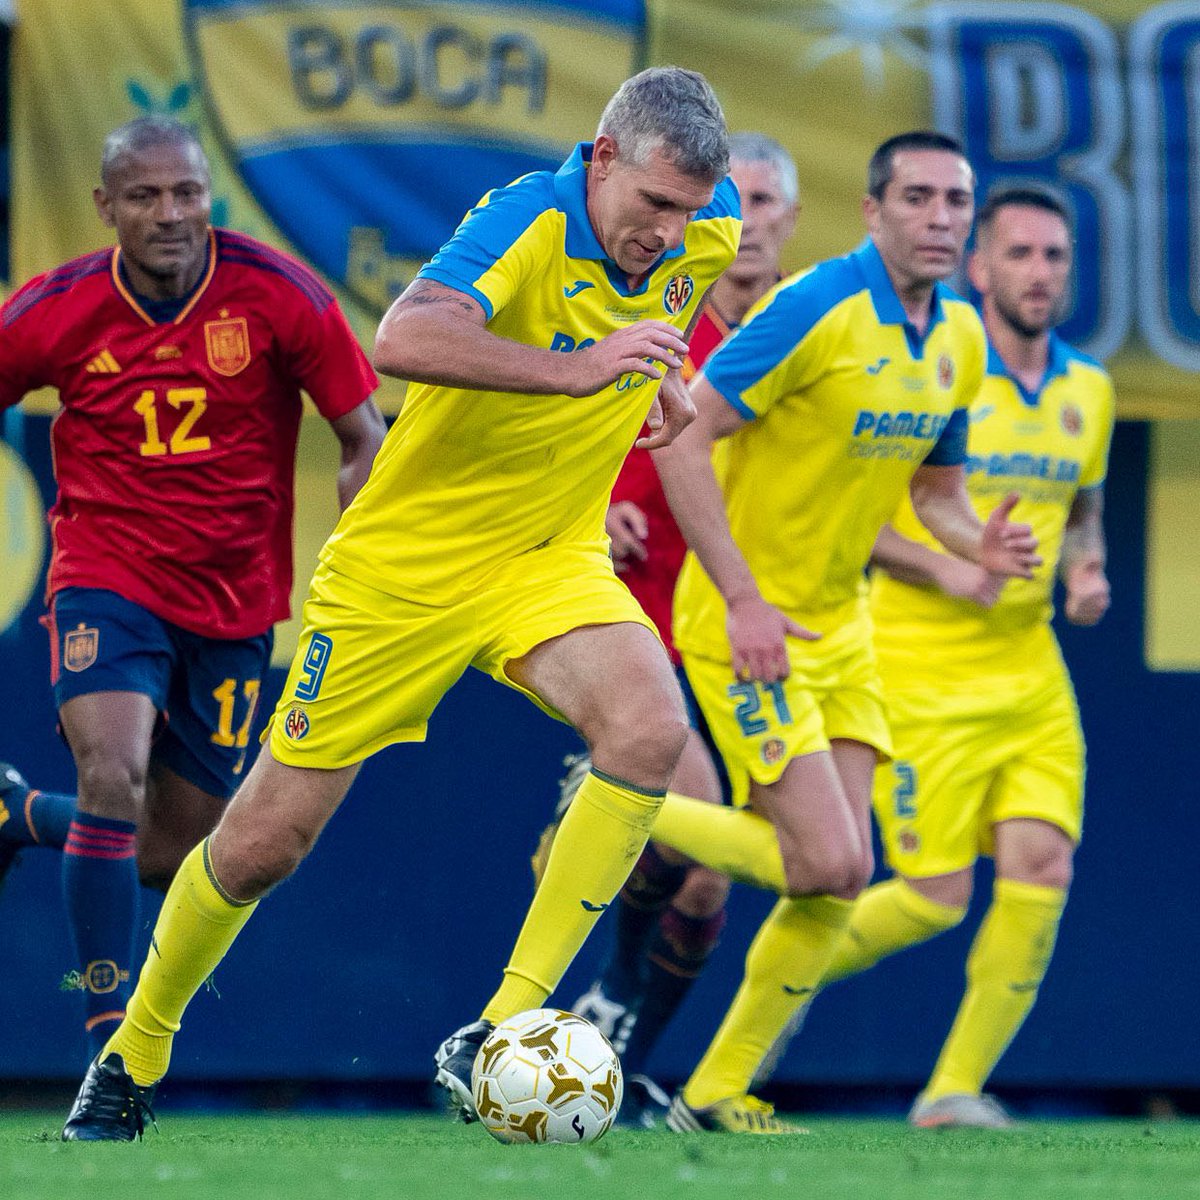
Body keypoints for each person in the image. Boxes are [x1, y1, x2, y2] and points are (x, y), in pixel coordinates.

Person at [60, 67, 741, 1141]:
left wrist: (660, 379)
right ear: (602, 157)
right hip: (402, 574)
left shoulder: (703, 226)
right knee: (261, 846)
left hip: (545, 554)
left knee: (651, 728)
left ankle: (500, 1028)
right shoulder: (525, 219)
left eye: (690, 211)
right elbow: (405, 339)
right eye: (653, 204)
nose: (671, 231)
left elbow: (663, 310)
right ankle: (131, 1055)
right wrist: (582, 372)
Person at [642, 131, 1042, 1135]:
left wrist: (977, 542)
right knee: (829, 865)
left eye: (956, 200)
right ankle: (629, 805)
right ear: (872, 212)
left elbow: (935, 492)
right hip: (745, 621)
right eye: (918, 198)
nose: (941, 217)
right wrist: (739, 599)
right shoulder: (813, 306)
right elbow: (680, 429)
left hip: (842, 628)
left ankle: (712, 1095)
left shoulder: (960, 336)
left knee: (834, 878)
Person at [0, 116, 385, 1062]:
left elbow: (364, 436)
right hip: (106, 575)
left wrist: (363, 567)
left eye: (188, 194)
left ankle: (17, 816)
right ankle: (109, 1047)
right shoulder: (55, 308)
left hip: (235, 599)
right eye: (146, 196)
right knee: (111, 774)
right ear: (106, 208)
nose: (171, 215)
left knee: (169, 851)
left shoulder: (280, 294)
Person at [799, 185, 1112, 1128]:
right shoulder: (943, 369)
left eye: (1054, 256)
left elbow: (1084, 505)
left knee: (1043, 863)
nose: (1040, 273)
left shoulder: (1088, 390)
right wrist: (949, 571)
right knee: (934, 897)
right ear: (979, 268)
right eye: (1019, 254)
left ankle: (952, 1091)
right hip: (918, 666)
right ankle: (778, 977)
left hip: (1030, 673)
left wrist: (1087, 571)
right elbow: (862, 517)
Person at [546, 133, 801, 1127]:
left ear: (786, 217)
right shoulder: (655, 305)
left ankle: (625, 1068)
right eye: (726, 201)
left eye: (764, 200)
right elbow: (558, 412)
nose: (742, 220)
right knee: (688, 819)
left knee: (709, 893)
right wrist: (587, 504)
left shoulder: (809, 327)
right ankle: (592, 1000)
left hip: (761, 641)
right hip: (647, 620)